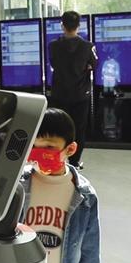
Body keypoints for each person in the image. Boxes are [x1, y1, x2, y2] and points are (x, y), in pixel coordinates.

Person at [21, 108, 101, 263]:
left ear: (70, 150)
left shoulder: (85, 198)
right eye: (34, 147)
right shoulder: (18, 186)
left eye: (48, 147)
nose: (39, 155)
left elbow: (90, 254)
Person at [48, 10, 97, 169]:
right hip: (80, 95)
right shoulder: (88, 46)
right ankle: (74, 162)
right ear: (78, 26)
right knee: (78, 129)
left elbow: (54, 64)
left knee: (58, 128)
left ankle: (57, 160)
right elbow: (94, 65)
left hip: (59, 94)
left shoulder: (53, 46)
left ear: (62, 25)